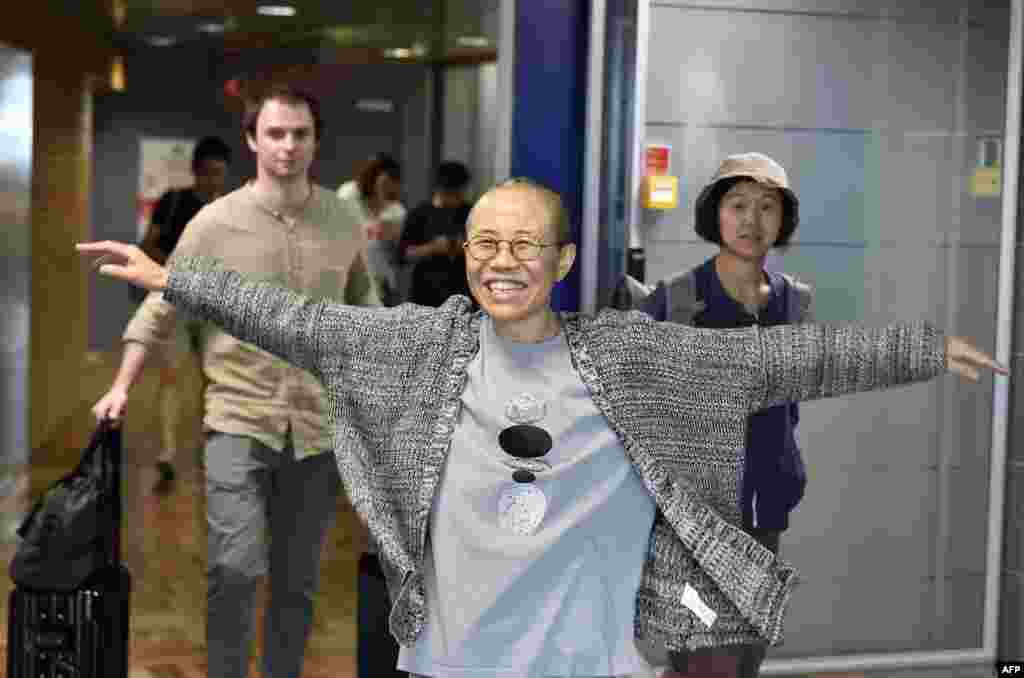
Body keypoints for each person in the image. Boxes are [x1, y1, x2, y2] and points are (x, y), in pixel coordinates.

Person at [78, 177, 1006, 678]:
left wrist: (920, 347)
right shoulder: (421, 349)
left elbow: (775, 361)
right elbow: (305, 322)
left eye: (525, 244)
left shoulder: (634, 355)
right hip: (450, 661)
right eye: (484, 243)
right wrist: (175, 279)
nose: (501, 260)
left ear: (562, 260)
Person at [87, 84, 381, 678]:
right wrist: (121, 384)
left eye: (300, 134)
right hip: (238, 419)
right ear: (252, 139)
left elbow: (364, 306)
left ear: (316, 140)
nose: (288, 146)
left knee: (298, 584)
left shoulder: (342, 219)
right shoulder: (214, 223)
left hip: (318, 430)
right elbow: (161, 306)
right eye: (275, 133)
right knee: (235, 567)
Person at [625, 152, 813, 677]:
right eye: (738, 205)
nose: (752, 221)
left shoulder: (794, 305)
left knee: (744, 659)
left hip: (764, 520)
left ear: (783, 219)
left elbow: (787, 413)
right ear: (716, 214)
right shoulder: (675, 301)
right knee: (709, 660)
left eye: (767, 207)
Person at [137, 135, 233, 494]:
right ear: (196, 172)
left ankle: (213, 454)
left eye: (220, 174)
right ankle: (167, 456)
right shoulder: (173, 202)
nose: (214, 181)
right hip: (176, 303)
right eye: (209, 173)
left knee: (217, 381)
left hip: (214, 309)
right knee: (171, 379)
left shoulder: (229, 211)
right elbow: (149, 243)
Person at [400, 161, 474, 307]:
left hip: (462, 295)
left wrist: (464, 247)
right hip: (425, 295)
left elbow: (487, 249)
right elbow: (403, 254)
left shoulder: (471, 213)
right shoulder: (420, 214)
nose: (455, 200)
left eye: (459, 194)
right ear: (439, 189)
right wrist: (432, 248)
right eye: (450, 194)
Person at [338, 153, 408, 305]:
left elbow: (398, 250)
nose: (386, 187)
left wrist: (393, 234)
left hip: (382, 282)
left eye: (392, 182)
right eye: (383, 181)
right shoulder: (349, 194)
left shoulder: (396, 210)